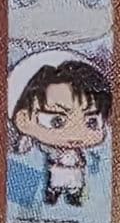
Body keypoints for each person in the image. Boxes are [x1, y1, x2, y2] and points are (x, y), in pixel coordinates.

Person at [9, 55, 111, 207]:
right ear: (23, 119)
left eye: (91, 122)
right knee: (55, 185)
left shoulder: (98, 161)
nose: (76, 133)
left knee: (74, 186)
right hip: (51, 178)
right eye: (57, 121)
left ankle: (73, 197)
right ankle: (53, 195)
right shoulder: (26, 160)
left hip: (74, 175)